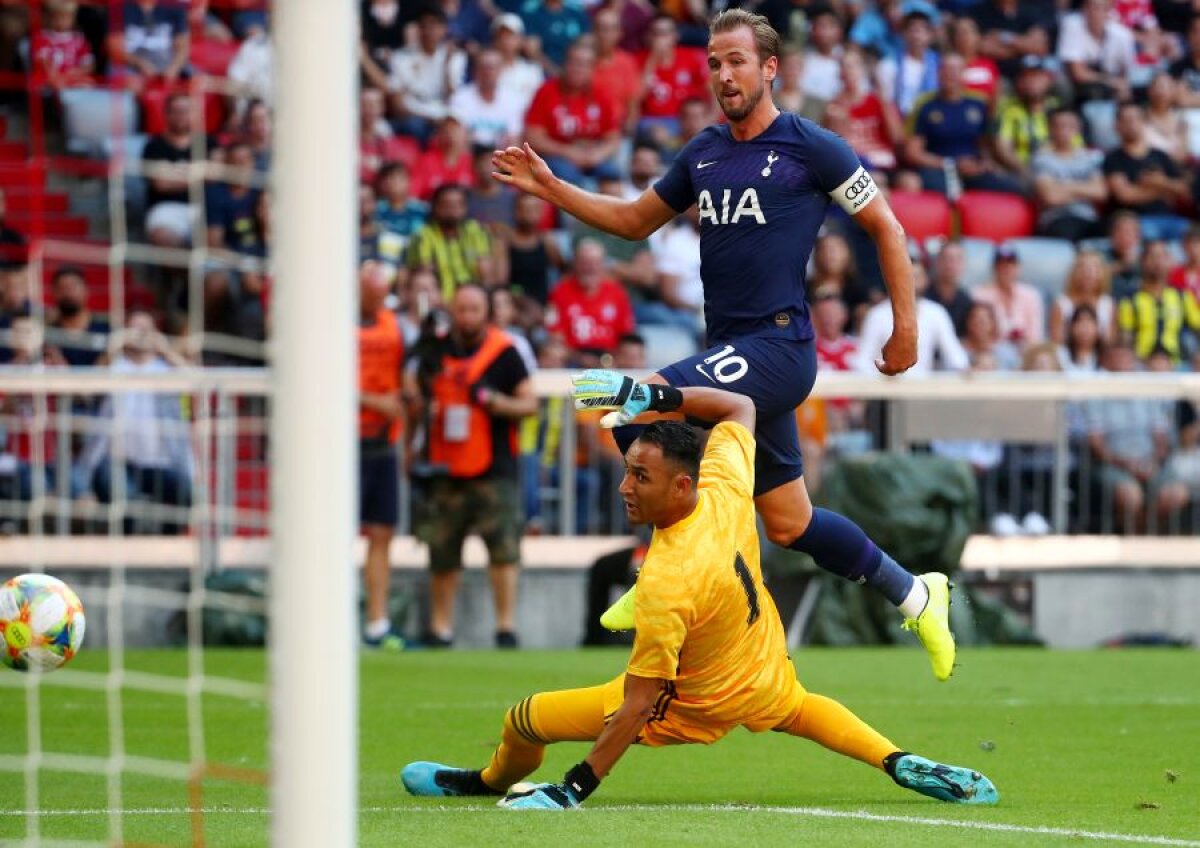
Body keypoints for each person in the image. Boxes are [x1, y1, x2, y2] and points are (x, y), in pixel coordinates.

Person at [492, 8, 957, 681]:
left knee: (638, 407)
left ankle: (655, 580)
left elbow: (886, 226)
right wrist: (550, 185)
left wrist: (905, 325)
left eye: (736, 59)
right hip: (733, 352)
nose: (722, 73)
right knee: (790, 523)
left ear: (769, 68)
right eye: (713, 61)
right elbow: (631, 222)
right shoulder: (704, 151)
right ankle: (919, 594)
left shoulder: (814, 146)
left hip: (777, 348)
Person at [402, 379, 999, 807]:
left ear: (680, 485)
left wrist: (571, 788)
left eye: (641, 477)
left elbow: (638, 706)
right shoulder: (722, 480)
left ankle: (484, 782)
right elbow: (739, 402)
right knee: (797, 707)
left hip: (691, 700)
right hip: (760, 662)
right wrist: (653, 396)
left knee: (525, 719)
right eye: (628, 469)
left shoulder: (667, 580)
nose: (624, 487)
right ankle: (898, 762)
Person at [406, 284, 538, 648]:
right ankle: (440, 628)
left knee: (504, 551)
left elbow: (529, 405)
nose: (467, 316)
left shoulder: (505, 353)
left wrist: (494, 401)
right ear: (452, 310)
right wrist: (410, 446)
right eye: (461, 309)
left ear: (486, 312)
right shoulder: (434, 350)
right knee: (442, 553)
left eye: (474, 309)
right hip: (444, 468)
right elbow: (413, 392)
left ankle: (506, 628)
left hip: (495, 470)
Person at [357, 261, 406, 650]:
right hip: (341, 444)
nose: (377, 301)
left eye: (381, 294)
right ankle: (332, 621)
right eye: (370, 294)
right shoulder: (334, 325)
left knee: (382, 533)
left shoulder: (392, 325)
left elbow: (402, 376)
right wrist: (377, 401)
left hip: (382, 441)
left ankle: (377, 623)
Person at [1103, 102, 1191, 243]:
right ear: (1117, 125)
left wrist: (1158, 183)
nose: (1131, 124)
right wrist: (1165, 189)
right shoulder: (1113, 158)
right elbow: (1126, 195)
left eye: (1135, 119)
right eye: (1126, 120)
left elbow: (1184, 189)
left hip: (1169, 219)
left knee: (1193, 235)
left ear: (1143, 123)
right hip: (1135, 222)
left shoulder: (1160, 155)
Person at [546, 239, 636, 364]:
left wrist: (607, 360)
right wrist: (580, 358)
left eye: (595, 262)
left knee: (633, 353)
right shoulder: (560, 291)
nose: (590, 268)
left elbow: (627, 334)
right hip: (572, 356)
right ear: (575, 264)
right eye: (584, 262)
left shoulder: (617, 293)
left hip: (610, 358)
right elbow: (555, 335)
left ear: (603, 265)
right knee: (552, 354)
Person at [1116, 240, 1200, 366]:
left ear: (1169, 262)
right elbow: (1125, 339)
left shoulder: (1182, 297)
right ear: (1143, 262)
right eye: (1153, 256)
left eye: (1162, 257)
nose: (1158, 262)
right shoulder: (1130, 300)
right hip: (1140, 366)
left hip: (1177, 366)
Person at [1031, 108, 1107, 242]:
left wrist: (1063, 186)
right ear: (1050, 129)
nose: (1064, 130)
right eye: (1059, 126)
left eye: (1070, 126)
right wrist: (1084, 188)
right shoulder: (1042, 159)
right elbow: (1051, 197)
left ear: (1078, 129)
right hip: (1057, 219)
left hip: (1089, 218)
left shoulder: (1092, 157)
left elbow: (1100, 192)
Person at [972, 243, 1045, 350]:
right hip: (991, 352)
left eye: (1010, 264)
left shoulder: (1031, 295)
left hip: (1025, 353)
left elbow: (1035, 336)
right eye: (1001, 265)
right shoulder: (979, 294)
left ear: (1018, 267)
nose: (1006, 269)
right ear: (994, 268)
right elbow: (978, 333)